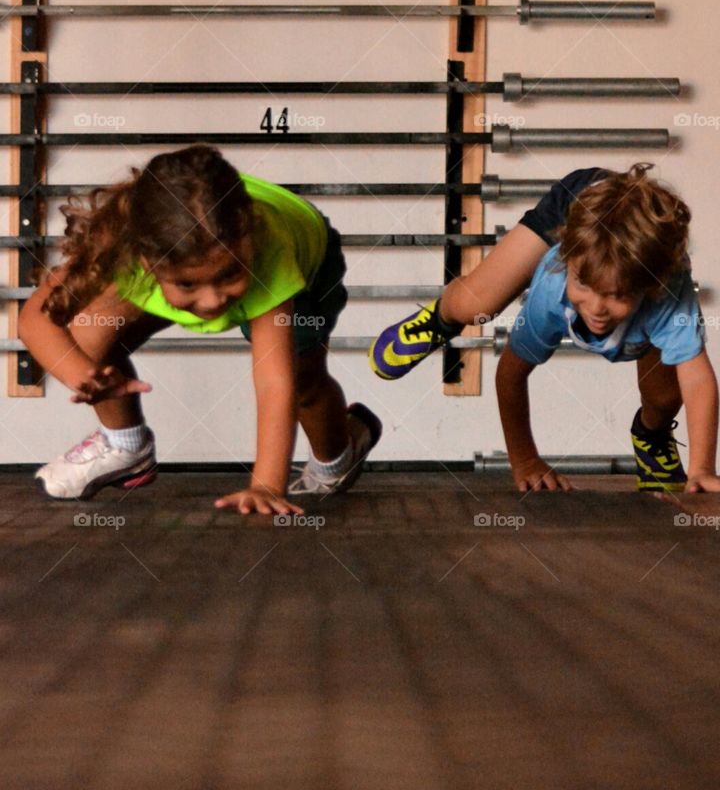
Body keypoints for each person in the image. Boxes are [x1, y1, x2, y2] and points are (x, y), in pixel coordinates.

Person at [18, 143, 381, 513]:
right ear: (145, 261)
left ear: (248, 240)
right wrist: (83, 375)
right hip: (186, 262)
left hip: (309, 267)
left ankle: (339, 457)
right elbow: (35, 320)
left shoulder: (271, 251)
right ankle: (125, 444)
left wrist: (267, 486)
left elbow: (275, 382)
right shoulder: (120, 249)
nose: (212, 301)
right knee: (88, 334)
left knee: (304, 380)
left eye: (228, 275)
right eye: (189, 285)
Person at [370, 164, 720, 493]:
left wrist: (702, 469)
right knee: (476, 306)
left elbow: (698, 379)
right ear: (566, 261)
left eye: (615, 296)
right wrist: (524, 460)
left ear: (649, 288)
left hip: (638, 256)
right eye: (584, 286)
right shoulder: (554, 289)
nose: (597, 308)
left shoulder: (665, 293)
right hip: (577, 202)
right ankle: (439, 318)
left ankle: (653, 436)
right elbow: (511, 373)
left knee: (665, 397)